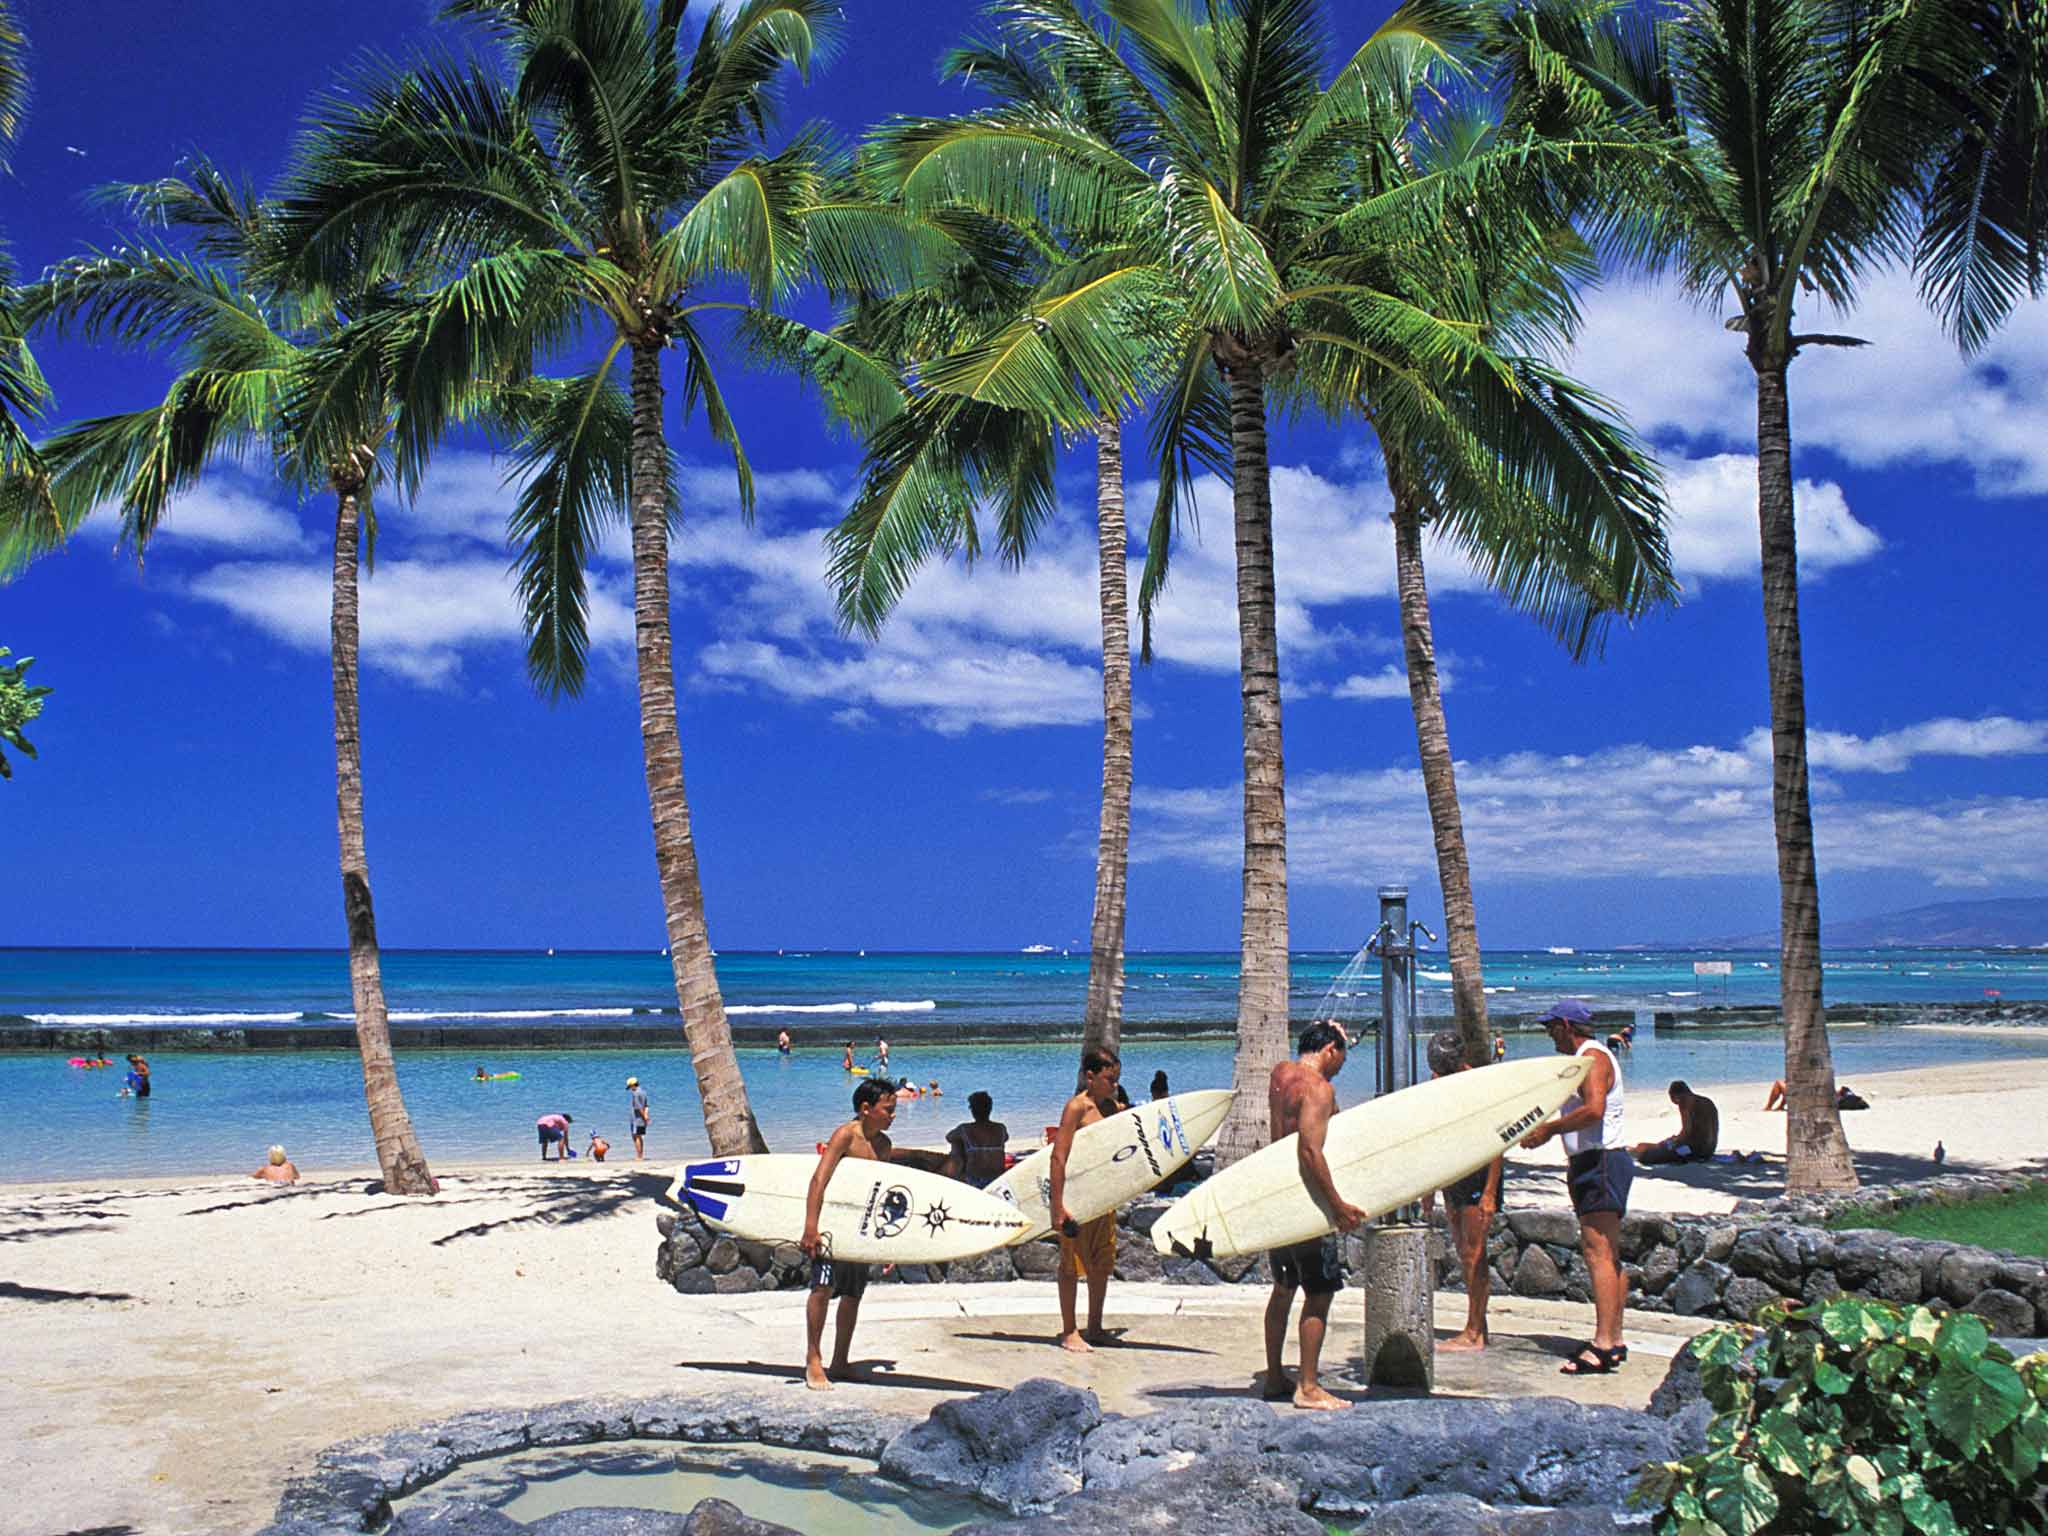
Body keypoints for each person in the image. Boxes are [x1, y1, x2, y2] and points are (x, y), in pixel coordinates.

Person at [1520, 1000, 1630, 1376]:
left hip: (1599, 1163)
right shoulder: (1590, 1057)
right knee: (1609, 1253)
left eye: (1551, 1028)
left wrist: (1550, 1129)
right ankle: (1613, 1340)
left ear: (1566, 1025)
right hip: (1600, 1162)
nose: (1548, 1035)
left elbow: (1595, 1109)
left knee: (1597, 1251)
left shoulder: (1593, 1058)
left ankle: (1601, 1343)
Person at [1262, 1022, 1364, 1410]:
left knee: (1284, 1288)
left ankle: (1274, 1376)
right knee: (1319, 1293)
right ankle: (1307, 1386)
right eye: (1341, 1057)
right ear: (1330, 1051)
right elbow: (1310, 1151)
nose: (1340, 1067)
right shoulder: (1319, 1089)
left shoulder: (1280, 1074)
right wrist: (1337, 1206)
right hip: (1307, 1201)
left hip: (1277, 1195)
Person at [801, 1078, 898, 1390]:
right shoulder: (845, 1135)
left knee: (853, 1295)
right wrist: (811, 1227)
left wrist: (889, 1245)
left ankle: (840, 1361)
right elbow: (819, 1180)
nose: (892, 1115)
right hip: (832, 1225)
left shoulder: (884, 1146)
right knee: (823, 1288)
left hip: (861, 1228)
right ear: (866, 1109)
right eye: (888, 1109)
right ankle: (813, 1360)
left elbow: (883, 1195)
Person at [1422, 1028, 1501, 1352]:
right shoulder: (1439, 1082)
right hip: (1452, 1175)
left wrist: (1490, 1193)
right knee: (1464, 1253)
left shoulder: (1478, 1089)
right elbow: (1434, 1136)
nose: (1437, 1075)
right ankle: (1476, 1326)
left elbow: (1498, 1141)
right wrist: (1429, 1186)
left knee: (1474, 1255)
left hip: (1478, 1176)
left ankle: (1475, 1332)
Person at [1051, 1050, 1122, 1352]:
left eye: (1116, 1079)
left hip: (1103, 1197)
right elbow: (1059, 1156)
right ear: (1090, 1077)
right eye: (1109, 1079)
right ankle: (1069, 1331)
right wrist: (1057, 1206)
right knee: (1071, 1264)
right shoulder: (1076, 1108)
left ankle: (1095, 1327)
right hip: (1077, 1199)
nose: (1114, 1085)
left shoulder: (1112, 1108)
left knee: (1101, 1264)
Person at [1632, 1081, 1719, 1165]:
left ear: (1677, 1095)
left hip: (1694, 1150)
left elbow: (1686, 1131)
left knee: (1647, 1156)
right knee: (1652, 1147)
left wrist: (1673, 1142)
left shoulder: (1684, 1102)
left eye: (1673, 1098)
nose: (1675, 1103)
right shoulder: (1706, 1101)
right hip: (1709, 1149)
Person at [944, 1091, 1010, 1188]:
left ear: (973, 1110)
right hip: (998, 1179)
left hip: (974, 1180)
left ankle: (954, 1178)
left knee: (957, 1143)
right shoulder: (1001, 1128)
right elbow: (1006, 1138)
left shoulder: (965, 1129)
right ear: (990, 1109)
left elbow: (949, 1137)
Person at [627, 1076, 651, 1160]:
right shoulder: (644, 1092)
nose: (630, 1089)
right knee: (639, 1136)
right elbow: (646, 1106)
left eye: (630, 1087)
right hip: (642, 1119)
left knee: (635, 1136)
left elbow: (638, 1107)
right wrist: (646, 1116)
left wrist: (644, 1117)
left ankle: (638, 1156)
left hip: (636, 1118)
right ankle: (641, 1155)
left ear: (633, 1085)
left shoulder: (635, 1093)